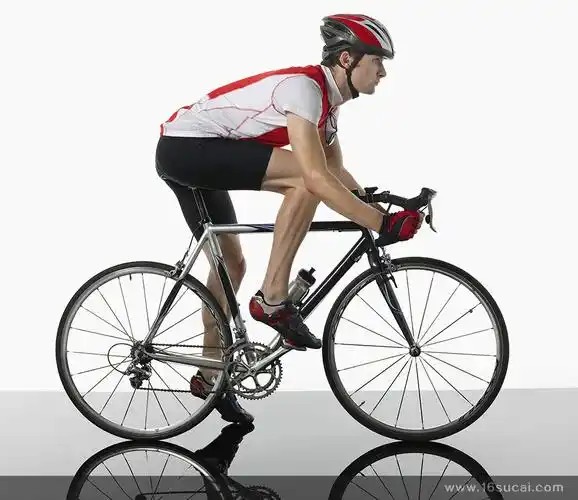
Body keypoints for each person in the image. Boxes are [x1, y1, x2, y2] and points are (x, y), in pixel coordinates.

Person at [155, 14, 423, 424]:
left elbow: (335, 173)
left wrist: (381, 206)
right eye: (377, 61)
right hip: (186, 148)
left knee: (231, 265)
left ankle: (211, 377)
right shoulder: (305, 89)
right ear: (348, 59)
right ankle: (273, 297)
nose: (383, 72)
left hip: (193, 150)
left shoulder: (327, 109)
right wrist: (380, 224)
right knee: (304, 182)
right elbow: (315, 178)